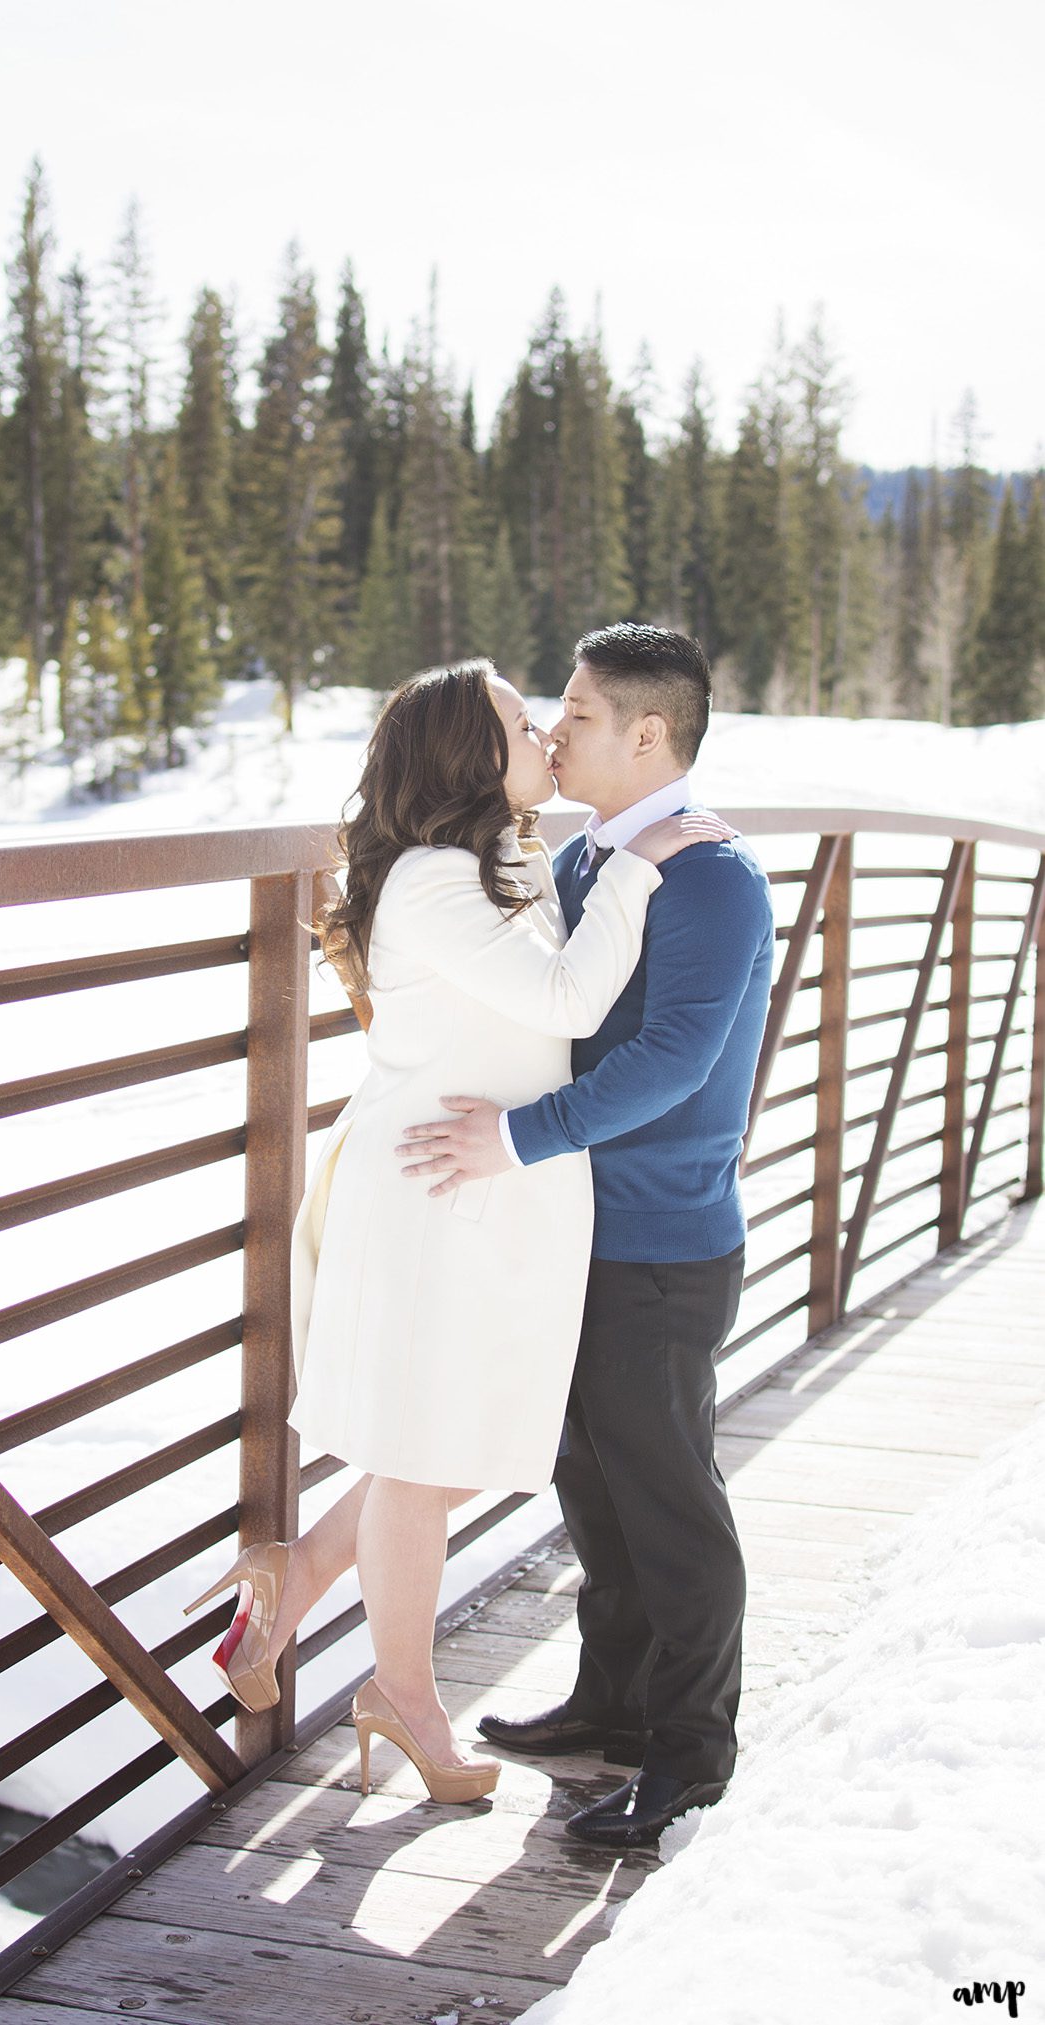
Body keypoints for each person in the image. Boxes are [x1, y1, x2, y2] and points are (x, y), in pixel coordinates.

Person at [184, 657, 728, 1804]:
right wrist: (635, 865)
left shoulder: (506, 858)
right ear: (472, 758)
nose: (545, 732)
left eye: (558, 716)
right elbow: (572, 1005)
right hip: (441, 1193)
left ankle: (296, 1572)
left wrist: (611, 861)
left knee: (457, 1441)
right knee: (433, 1460)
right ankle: (406, 1699)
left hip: (489, 1190)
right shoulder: (438, 877)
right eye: (525, 722)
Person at [396, 624, 775, 1848]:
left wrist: (512, 1138)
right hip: (576, 1235)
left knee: (667, 1502)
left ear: (648, 734)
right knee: (595, 1493)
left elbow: (674, 1062)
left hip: (660, 1245)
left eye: (579, 710)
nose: (556, 728)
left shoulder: (712, 874)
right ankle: (611, 1706)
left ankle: (691, 1754)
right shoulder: (587, 859)